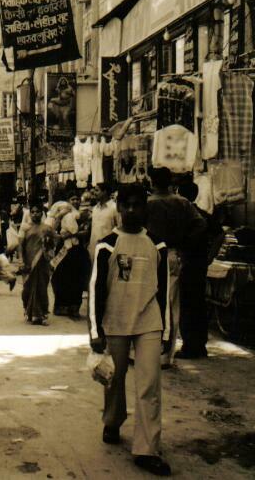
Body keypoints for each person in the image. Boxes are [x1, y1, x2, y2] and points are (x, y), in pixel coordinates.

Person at [89, 183, 172, 477]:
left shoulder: (157, 245)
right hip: (116, 321)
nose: (132, 210)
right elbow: (96, 289)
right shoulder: (107, 245)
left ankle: (146, 449)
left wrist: (166, 333)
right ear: (120, 208)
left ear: (145, 208)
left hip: (148, 322)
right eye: (127, 205)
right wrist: (95, 331)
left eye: (138, 205)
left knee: (149, 385)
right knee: (114, 377)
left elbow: (164, 293)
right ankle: (113, 421)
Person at [146, 167, 206, 367]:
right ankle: (165, 355)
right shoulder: (182, 203)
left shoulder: (147, 204)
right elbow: (200, 225)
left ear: (152, 182)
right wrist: (185, 242)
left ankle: (146, 350)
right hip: (173, 253)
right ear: (170, 182)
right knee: (171, 304)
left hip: (148, 253)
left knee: (147, 300)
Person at [176, 182, 223, 359]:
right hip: (198, 263)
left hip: (188, 262)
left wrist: (209, 256)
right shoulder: (202, 213)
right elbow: (220, 234)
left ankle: (190, 346)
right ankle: (199, 345)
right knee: (198, 303)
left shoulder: (185, 215)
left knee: (188, 304)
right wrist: (210, 256)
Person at [51, 192, 90, 318]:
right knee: (60, 277)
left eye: (77, 199)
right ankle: (61, 306)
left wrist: (73, 234)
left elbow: (86, 232)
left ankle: (74, 307)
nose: (75, 202)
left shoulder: (83, 215)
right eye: (72, 199)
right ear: (68, 201)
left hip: (77, 250)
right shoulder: (61, 214)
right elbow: (53, 230)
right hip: (64, 249)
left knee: (77, 278)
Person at [18, 201, 57, 325]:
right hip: (28, 263)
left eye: (37, 212)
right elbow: (20, 245)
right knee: (27, 289)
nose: (35, 214)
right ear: (30, 214)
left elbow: (54, 242)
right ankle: (30, 312)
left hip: (42, 262)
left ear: (42, 213)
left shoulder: (47, 228)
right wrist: (21, 261)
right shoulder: (25, 227)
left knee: (41, 288)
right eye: (33, 212)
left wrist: (50, 255)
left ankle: (41, 314)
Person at [89, 183, 119, 260]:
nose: (94, 193)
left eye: (97, 190)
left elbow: (119, 228)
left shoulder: (114, 208)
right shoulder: (95, 208)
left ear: (104, 192)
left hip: (108, 249)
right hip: (93, 248)